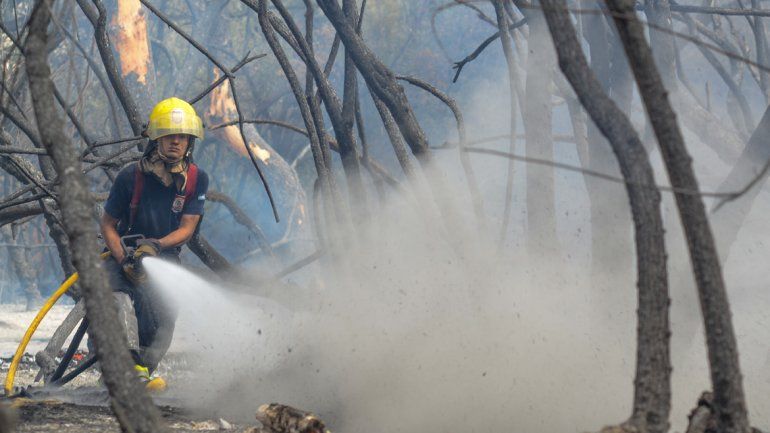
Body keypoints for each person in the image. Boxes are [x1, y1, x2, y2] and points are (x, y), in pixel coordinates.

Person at [99, 97, 209, 391]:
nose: (176, 142)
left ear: (190, 142)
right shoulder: (130, 176)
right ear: (155, 139)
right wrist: (124, 260)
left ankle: (142, 370)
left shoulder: (197, 179)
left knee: (165, 312)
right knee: (118, 300)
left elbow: (187, 227)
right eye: (169, 135)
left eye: (182, 137)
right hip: (123, 252)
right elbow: (107, 225)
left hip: (163, 254)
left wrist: (157, 246)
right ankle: (124, 368)